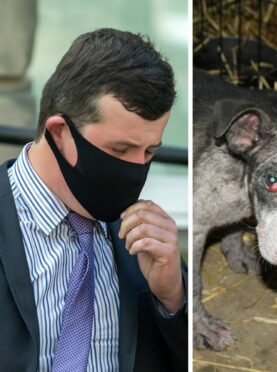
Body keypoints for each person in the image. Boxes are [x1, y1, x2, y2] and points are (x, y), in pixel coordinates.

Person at [0, 28, 187, 371]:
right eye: (120, 150)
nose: (135, 170)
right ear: (59, 133)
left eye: (149, 152)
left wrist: (173, 296)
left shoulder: (146, 237)